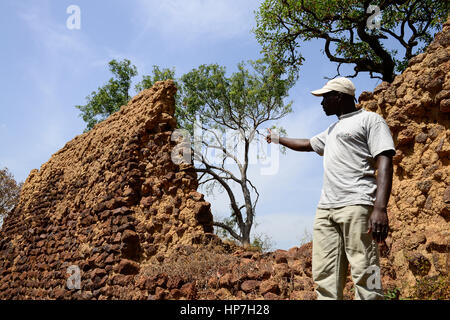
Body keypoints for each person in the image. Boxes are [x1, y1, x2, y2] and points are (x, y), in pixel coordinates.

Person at [266, 77, 395, 300]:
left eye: (325, 97)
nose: (322, 103)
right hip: (326, 209)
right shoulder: (332, 129)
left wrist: (380, 208)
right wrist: (277, 139)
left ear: (340, 97)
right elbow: (307, 145)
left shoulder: (370, 120)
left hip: (357, 204)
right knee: (325, 274)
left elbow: (384, 159)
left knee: (366, 270)